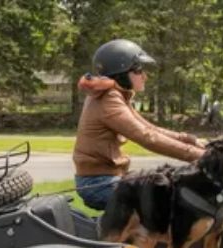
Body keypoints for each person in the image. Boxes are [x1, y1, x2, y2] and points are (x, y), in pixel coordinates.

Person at [73, 39, 205, 210]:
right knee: (172, 203)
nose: (144, 76)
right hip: (99, 184)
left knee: (169, 189)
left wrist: (191, 141)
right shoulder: (109, 99)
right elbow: (147, 137)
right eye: (138, 70)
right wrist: (202, 157)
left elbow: (150, 128)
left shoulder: (113, 95)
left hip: (105, 178)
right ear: (120, 72)